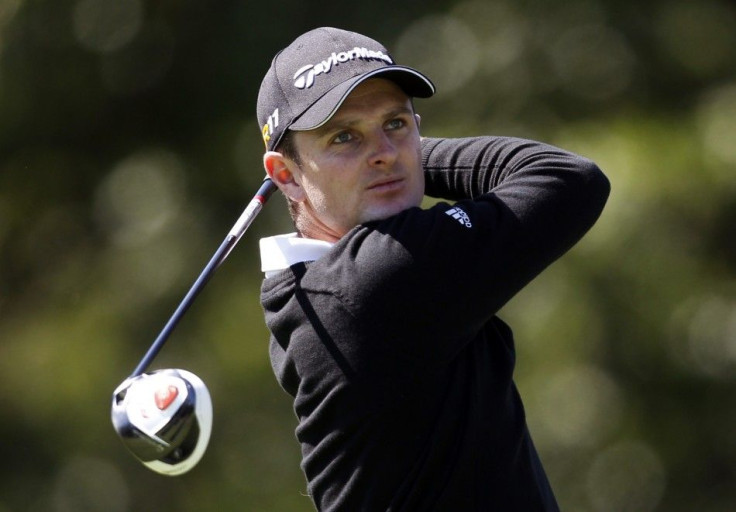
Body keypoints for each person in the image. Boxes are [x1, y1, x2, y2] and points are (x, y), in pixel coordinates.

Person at [255, 27, 610, 511]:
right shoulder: (377, 279)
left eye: (396, 123)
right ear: (285, 176)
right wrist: (406, 156)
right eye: (343, 136)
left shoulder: (305, 291)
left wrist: (391, 155)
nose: (382, 151)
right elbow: (567, 179)